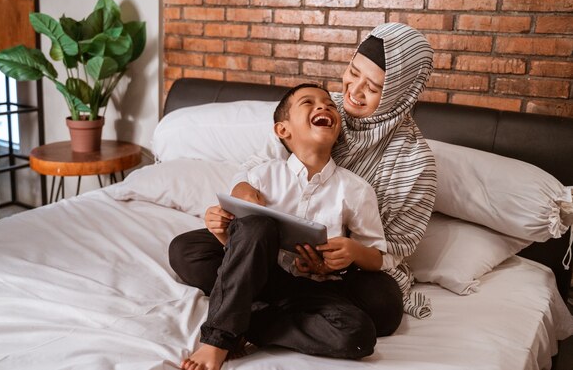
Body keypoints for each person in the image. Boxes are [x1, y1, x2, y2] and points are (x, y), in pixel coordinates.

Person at [170, 22, 437, 322]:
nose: (354, 91)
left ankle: (258, 300)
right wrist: (242, 193)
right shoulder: (321, 106)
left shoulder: (414, 163)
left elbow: (390, 251)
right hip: (268, 249)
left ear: (399, 96)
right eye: (353, 72)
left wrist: (338, 263)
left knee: (384, 305)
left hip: (343, 269)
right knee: (186, 250)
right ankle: (297, 307)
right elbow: (257, 166)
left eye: (373, 88)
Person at [175, 84, 397, 370]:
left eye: (329, 104)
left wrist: (351, 252)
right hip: (260, 271)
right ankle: (218, 338)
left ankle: (246, 320)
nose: (324, 106)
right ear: (283, 130)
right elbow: (242, 241)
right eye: (309, 102)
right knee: (190, 248)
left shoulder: (356, 189)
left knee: (357, 334)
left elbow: (378, 255)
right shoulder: (262, 175)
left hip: (310, 289)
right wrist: (221, 230)